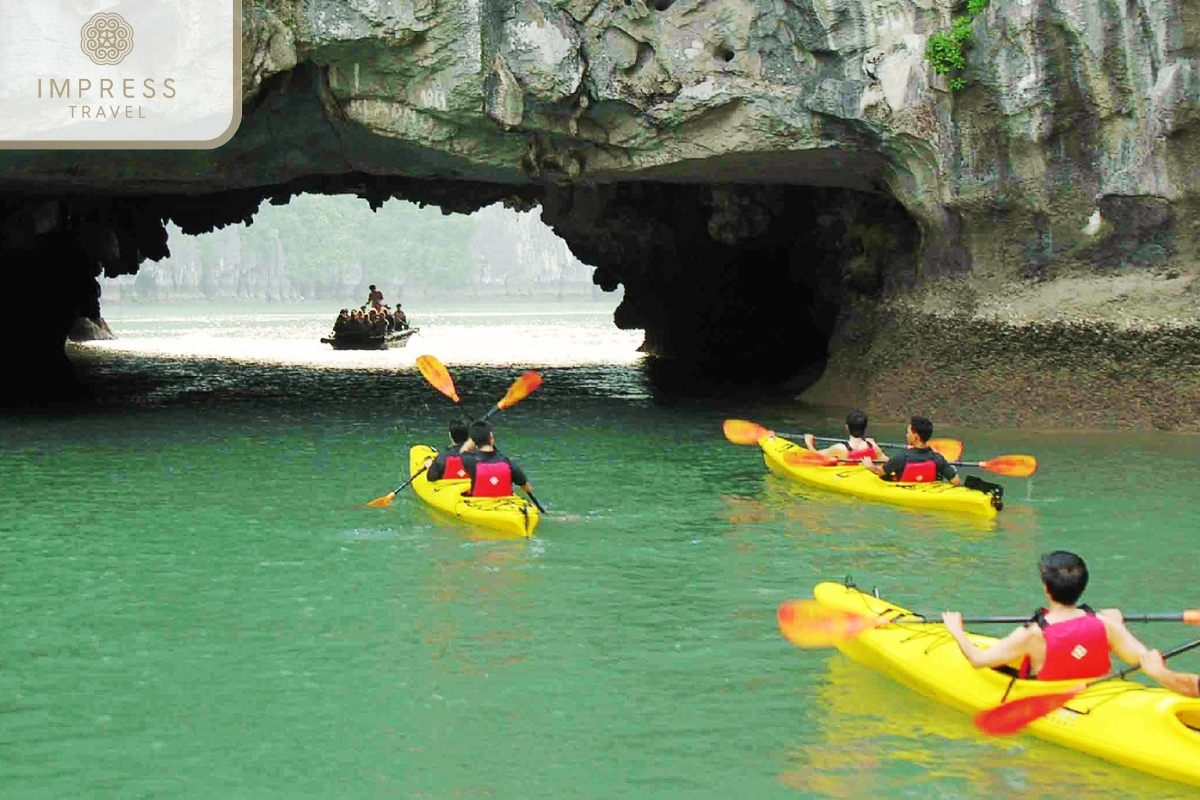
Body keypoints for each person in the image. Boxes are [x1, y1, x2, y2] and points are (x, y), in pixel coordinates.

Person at [941, 551, 1149, 680]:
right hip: (1095, 691)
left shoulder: (1032, 634)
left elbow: (978, 660)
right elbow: (1145, 660)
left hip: (1049, 697)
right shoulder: (1105, 624)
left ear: (1047, 590)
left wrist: (957, 631)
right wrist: (1119, 627)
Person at [861, 415, 959, 484]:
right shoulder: (937, 458)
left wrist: (870, 465)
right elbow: (956, 481)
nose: (907, 435)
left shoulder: (902, 457)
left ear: (916, 436)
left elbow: (880, 472)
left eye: (909, 433)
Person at [461, 420, 534, 499]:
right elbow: (527, 488)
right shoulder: (507, 462)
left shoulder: (469, 460)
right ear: (491, 437)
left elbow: (464, 450)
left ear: (473, 441)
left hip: (480, 505)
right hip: (507, 505)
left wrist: (474, 437)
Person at [803, 409, 886, 461]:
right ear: (865, 427)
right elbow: (887, 461)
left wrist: (809, 442)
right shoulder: (873, 447)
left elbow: (815, 456)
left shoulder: (840, 448)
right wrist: (871, 443)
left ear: (847, 428)